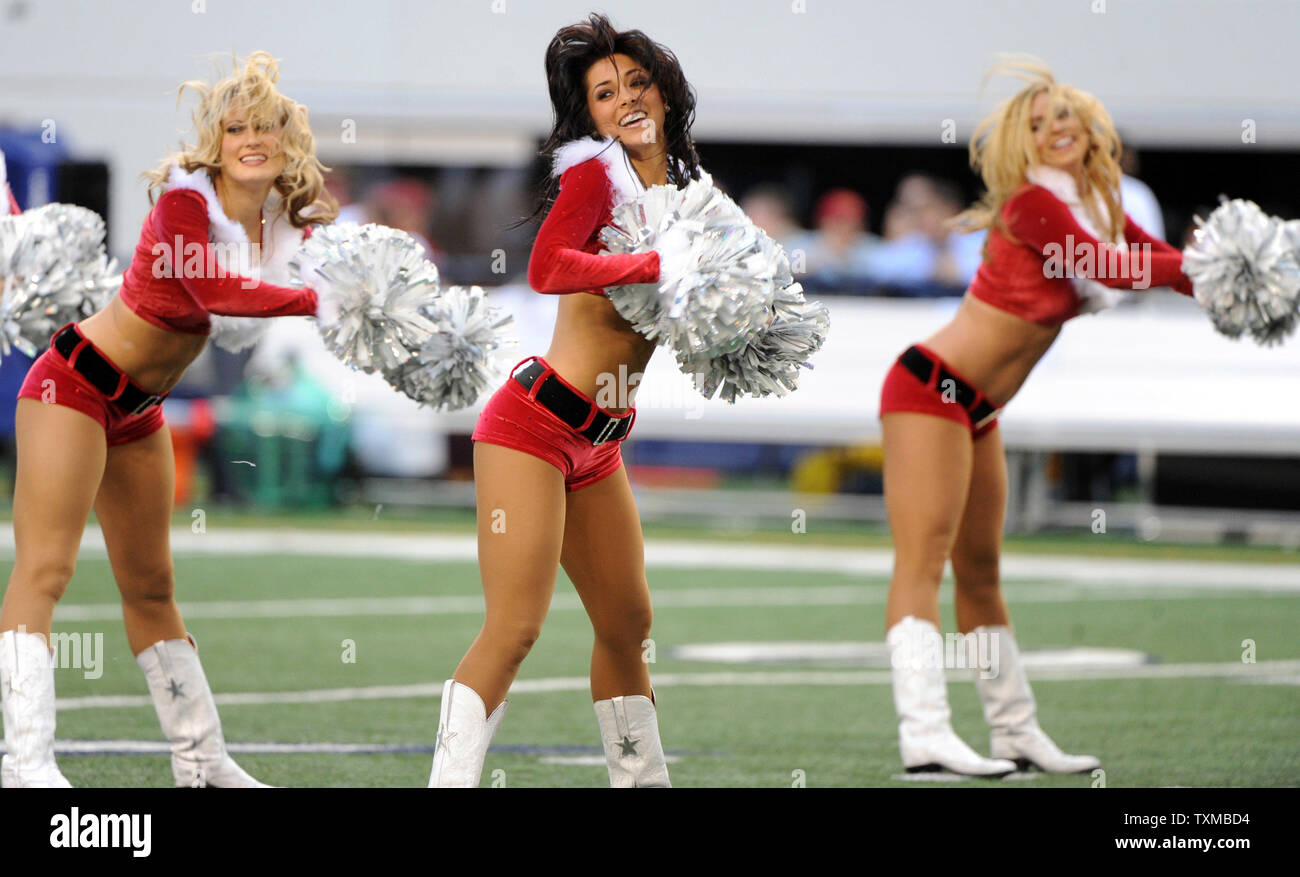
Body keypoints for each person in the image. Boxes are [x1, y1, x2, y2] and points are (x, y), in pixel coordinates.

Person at [0, 51, 335, 787]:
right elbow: (216, 288)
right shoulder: (187, 204)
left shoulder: (276, 227)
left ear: (286, 142)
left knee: (152, 586)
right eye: (236, 127)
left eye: (266, 128)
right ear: (215, 141)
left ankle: (202, 760)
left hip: (137, 411)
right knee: (46, 568)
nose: (252, 139)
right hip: (73, 388)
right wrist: (318, 303)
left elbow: (316, 279)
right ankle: (24, 760)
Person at [878, 59, 1193, 777]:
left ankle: (1014, 729)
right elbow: (1105, 266)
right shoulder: (1031, 206)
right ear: (1023, 142)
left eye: (1065, 116)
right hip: (929, 391)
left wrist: (1238, 272)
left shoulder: (1099, 206)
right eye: (1038, 121)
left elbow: (1155, 260)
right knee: (922, 562)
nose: (1055, 129)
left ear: (1089, 126)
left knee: (982, 571)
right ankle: (923, 730)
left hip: (975, 409)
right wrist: (1196, 268)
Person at [428, 13, 700, 788]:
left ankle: (641, 780)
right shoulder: (594, 173)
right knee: (515, 626)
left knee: (628, 623)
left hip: (601, 442)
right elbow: (547, 266)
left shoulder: (682, 190)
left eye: (637, 83)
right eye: (605, 93)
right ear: (590, 114)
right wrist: (651, 264)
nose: (626, 100)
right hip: (532, 427)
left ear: (665, 91)